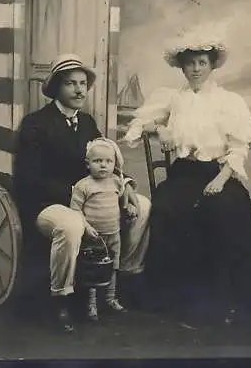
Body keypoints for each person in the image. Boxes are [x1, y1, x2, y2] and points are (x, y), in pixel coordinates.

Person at [123, 27, 251, 324]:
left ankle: (228, 299)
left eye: (201, 63)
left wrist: (221, 180)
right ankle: (180, 300)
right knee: (170, 209)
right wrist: (161, 129)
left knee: (223, 209)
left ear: (211, 65)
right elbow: (140, 122)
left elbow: (238, 147)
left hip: (218, 172)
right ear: (181, 66)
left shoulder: (228, 101)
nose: (195, 69)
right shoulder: (172, 98)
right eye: (189, 63)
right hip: (184, 173)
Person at [13, 54, 150, 333]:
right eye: (71, 83)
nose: (79, 90)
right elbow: (30, 179)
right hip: (47, 204)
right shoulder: (35, 123)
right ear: (55, 88)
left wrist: (126, 186)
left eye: (83, 84)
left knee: (143, 206)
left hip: (90, 199)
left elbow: (106, 160)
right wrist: (82, 196)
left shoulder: (87, 122)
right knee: (71, 224)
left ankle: (115, 279)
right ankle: (60, 299)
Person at [70, 137, 138, 321]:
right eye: (97, 161)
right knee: (94, 268)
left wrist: (129, 207)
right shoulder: (83, 185)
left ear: (114, 164)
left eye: (108, 162)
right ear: (88, 164)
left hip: (113, 233)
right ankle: (91, 304)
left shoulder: (116, 181)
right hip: (94, 235)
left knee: (113, 266)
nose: (103, 166)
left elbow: (122, 200)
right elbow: (75, 210)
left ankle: (110, 298)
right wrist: (87, 227)